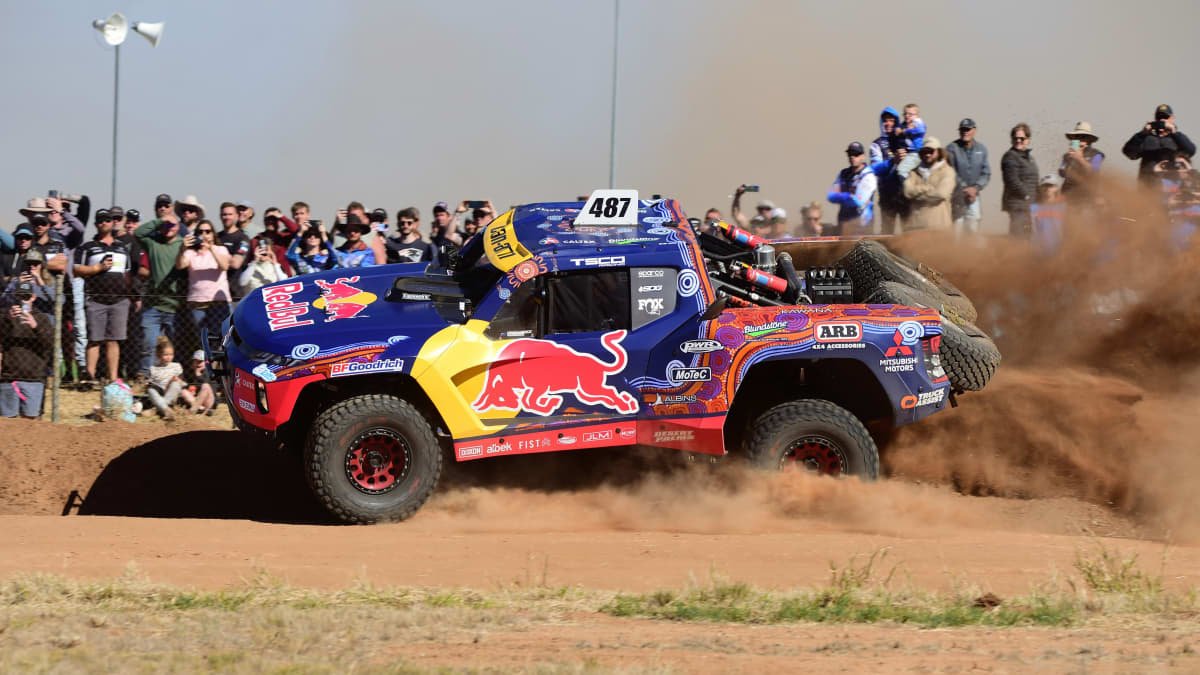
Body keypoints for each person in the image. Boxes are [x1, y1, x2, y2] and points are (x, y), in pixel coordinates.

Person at [73, 209, 132, 385]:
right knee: (94, 340)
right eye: (100, 221)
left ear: (112, 223)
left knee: (113, 341)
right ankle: (89, 378)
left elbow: (127, 274)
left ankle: (113, 379)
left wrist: (128, 295)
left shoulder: (122, 247)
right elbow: (76, 269)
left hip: (119, 300)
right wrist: (97, 268)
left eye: (107, 220)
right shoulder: (87, 247)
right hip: (96, 299)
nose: (104, 223)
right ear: (96, 224)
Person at [133, 209, 187, 380]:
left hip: (175, 305)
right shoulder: (153, 243)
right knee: (149, 343)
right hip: (153, 305)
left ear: (179, 227)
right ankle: (147, 376)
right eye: (166, 225)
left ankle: (171, 378)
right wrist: (160, 221)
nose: (169, 227)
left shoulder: (183, 244)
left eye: (173, 224)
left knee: (173, 346)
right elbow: (138, 233)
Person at [176, 219, 232, 351]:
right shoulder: (191, 252)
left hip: (219, 303)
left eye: (208, 231)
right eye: (200, 232)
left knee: (221, 340)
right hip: (198, 303)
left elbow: (224, 266)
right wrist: (182, 248)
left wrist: (210, 247)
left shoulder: (221, 249)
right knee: (203, 340)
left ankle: (221, 370)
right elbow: (180, 265)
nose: (204, 234)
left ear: (213, 234)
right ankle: (206, 370)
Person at [0, 282, 53, 418]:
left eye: (26, 297)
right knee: (8, 421)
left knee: (31, 421)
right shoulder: (5, 316)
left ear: (33, 297)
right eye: (19, 297)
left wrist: (35, 327)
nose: (23, 300)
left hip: (33, 378)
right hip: (9, 377)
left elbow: (50, 344)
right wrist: (7, 320)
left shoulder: (41, 318)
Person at [1122, 104, 1197, 188]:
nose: (1162, 120)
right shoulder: (1146, 138)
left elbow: (1191, 151)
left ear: (1172, 119)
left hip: (1171, 187)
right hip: (1148, 186)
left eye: (1165, 117)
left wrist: (1174, 133)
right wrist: (1141, 134)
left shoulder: (1177, 138)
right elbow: (1129, 153)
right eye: (1159, 117)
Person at [946, 118, 991, 235]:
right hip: (957, 197)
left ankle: (972, 253)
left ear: (974, 130)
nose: (965, 132)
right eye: (962, 129)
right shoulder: (952, 148)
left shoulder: (982, 149)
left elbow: (986, 173)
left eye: (967, 129)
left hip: (974, 197)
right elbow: (950, 171)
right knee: (957, 230)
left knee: (973, 229)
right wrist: (965, 188)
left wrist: (975, 188)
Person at [902, 136, 956, 231]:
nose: (927, 154)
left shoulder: (947, 171)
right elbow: (907, 191)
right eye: (924, 151)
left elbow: (941, 194)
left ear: (939, 152)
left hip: (939, 226)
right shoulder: (914, 172)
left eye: (931, 151)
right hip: (915, 225)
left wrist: (917, 193)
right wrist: (929, 189)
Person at [827, 142, 877, 236]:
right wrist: (848, 196)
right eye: (850, 154)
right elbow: (831, 195)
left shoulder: (869, 176)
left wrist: (842, 196)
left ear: (863, 156)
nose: (852, 157)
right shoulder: (843, 173)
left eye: (856, 154)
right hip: (844, 223)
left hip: (862, 226)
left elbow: (858, 201)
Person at [1001, 123, 1040, 237]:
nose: (1018, 140)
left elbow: (1034, 180)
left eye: (1022, 138)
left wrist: (1039, 198)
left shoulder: (1030, 158)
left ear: (1028, 140)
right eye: (1015, 138)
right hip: (1018, 205)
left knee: (1028, 237)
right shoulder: (1010, 157)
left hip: (1029, 206)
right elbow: (1012, 180)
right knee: (1018, 238)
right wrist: (1026, 196)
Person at [1060, 122, 1105, 203]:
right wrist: (1069, 160)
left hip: (1087, 197)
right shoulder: (1067, 155)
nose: (1079, 139)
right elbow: (1062, 172)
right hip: (1068, 195)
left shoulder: (1096, 155)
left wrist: (1080, 159)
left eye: (1083, 137)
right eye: (1077, 136)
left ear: (1089, 140)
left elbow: (1094, 173)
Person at [216, 202, 252, 300]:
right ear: (220, 216)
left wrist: (216, 255)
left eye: (230, 214)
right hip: (215, 293)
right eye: (224, 214)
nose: (227, 217)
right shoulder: (216, 237)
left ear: (236, 216)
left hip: (235, 293)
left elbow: (236, 263)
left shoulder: (243, 239)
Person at [871, 144, 910, 234]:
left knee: (908, 230)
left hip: (906, 196)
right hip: (887, 196)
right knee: (887, 230)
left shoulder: (907, 141)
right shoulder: (877, 144)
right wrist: (893, 161)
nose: (889, 128)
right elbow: (874, 169)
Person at [145, 335, 184, 420]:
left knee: (176, 385)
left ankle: (157, 409)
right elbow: (149, 384)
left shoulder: (176, 366)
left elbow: (183, 384)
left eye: (171, 354)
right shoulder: (153, 369)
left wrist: (178, 380)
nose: (169, 357)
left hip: (172, 393)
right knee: (150, 390)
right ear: (159, 355)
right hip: (159, 393)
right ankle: (166, 410)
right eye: (165, 354)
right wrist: (147, 384)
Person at [180, 350, 215, 415]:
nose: (198, 363)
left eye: (201, 361)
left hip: (208, 401)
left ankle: (193, 410)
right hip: (196, 401)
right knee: (183, 392)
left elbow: (209, 388)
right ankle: (201, 409)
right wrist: (190, 391)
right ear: (192, 363)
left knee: (205, 386)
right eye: (196, 361)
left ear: (206, 362)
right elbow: (187, 386)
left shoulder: (208, 373)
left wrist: (198, 375)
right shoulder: (189, 374)